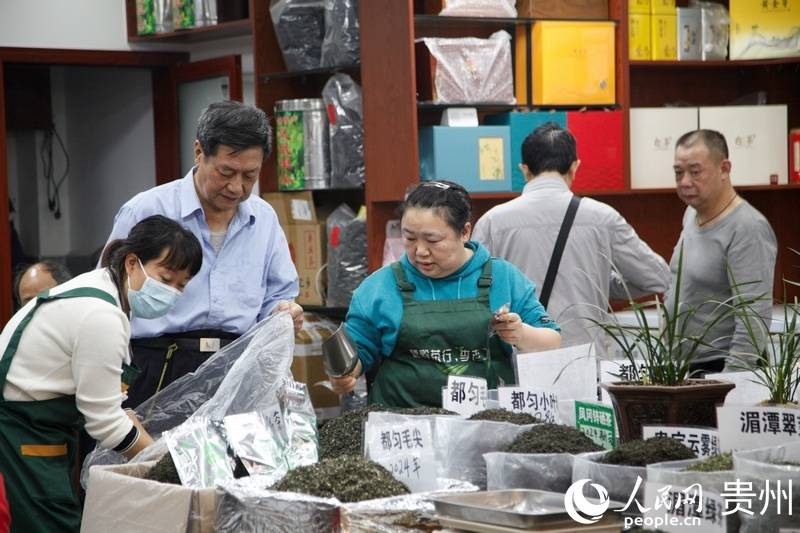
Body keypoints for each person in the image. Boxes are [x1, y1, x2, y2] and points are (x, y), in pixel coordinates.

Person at [0, 215, 202, 533]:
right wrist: (163, 461)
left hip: (40, 429)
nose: (172, 293)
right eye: (166, 278)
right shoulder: (101, 314)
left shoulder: (102, 293)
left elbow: (105, 400)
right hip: (22, 434)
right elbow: (105, 423)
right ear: (133, 263)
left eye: (181, 285)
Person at [102, 101, 302, 408]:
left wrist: (285, 312)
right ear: (199, 152)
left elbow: (279, 294)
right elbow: (107, 292)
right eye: (226, 172)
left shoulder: (264, 218)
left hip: (236, 368)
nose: (237, 187)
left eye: (250, 175)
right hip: (157, 365)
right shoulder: (147, 210)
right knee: (151, 455)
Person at [329, 180, 561, 407]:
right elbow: (357, 350)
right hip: (403, 428)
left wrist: (520, 333)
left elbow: (552, 341)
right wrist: (346, 374)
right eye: (409, 238)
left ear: (465, 232)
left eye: (433, 240)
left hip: (487, 426)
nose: (420, 251)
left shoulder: (503, 278)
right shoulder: (380, 286)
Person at [472, 122, 670, 348]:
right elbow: (658, 276)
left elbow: (473, 291)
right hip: (583, 359)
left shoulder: (493, 221)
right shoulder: (603, 218)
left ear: (524, 169)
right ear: (575, 167)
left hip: (516, 360)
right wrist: (598, 281)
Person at [668, 129, 777, 373]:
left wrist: (729, 386)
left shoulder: (747, 227)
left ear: (724, 169)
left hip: (724, 368)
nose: (685, 181)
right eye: (678, 172)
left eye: (695, 172)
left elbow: (753, 319)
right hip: (689, 366)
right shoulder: (691, 215)